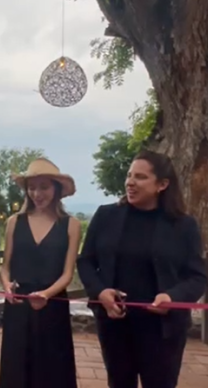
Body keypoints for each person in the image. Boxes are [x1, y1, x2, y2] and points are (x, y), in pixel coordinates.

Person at [77, 150, 207, 388]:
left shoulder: (184, 225)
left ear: (162, 184)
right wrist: (100, 292)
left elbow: (198, 276)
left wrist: (172, 297)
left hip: (163, 331)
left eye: (140, 177)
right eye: (129, 175)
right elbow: (85, 261)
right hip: (114, 325)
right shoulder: (106, 216)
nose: (130, 182)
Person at [0, 158, 82, 388]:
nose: (37, 193)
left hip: (53, 306)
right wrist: (6, 286)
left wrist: (46, 294)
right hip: (19, 307)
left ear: (56, 189)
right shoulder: (14, 222)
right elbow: (5, 267)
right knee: (15, 370)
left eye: (44, 187)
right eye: (32, 187)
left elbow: (67, 274)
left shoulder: (71, 225)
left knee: (53, 371)